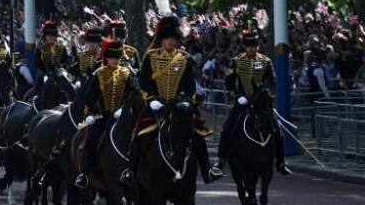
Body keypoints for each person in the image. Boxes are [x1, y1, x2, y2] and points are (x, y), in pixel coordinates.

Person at [122, 15, 222, 185]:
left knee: (198, 133)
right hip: (157, 105)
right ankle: (130, 171)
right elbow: (144, 82)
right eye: (167, 38)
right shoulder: (151, 57)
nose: (171, 41)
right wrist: (151, 99)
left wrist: (186, 99)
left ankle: (207, 170)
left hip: (179, 105)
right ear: (161, 39)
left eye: (174, 38)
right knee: (139, 134)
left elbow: (189, 84)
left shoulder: (184, 58)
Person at [218, 29, 291, 175]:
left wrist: (265, 91)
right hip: (243, 101)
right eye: (249, 46)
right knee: (227, 128)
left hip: (261, 103)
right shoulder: (236, 61)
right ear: (245, 46)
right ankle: (220, 159)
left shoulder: (266, 61)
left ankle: (281, 162)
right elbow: (229, 82)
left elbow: (272, 81)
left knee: (278, 130)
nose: (251, 48)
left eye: (254, 45)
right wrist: (237, 96)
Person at [75, 39, 135, 189]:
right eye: (112, 57)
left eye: (117, 57)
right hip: (102, 116)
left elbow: (133, 94)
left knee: (137, 139)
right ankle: (84, 174)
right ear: (106, 57)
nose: (115, 60)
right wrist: (89, 114)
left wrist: (124, 109)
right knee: (90, 140)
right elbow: (90, 97)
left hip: (122, 117)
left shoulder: (126, 74)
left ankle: (132, 171)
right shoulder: (99, 74)